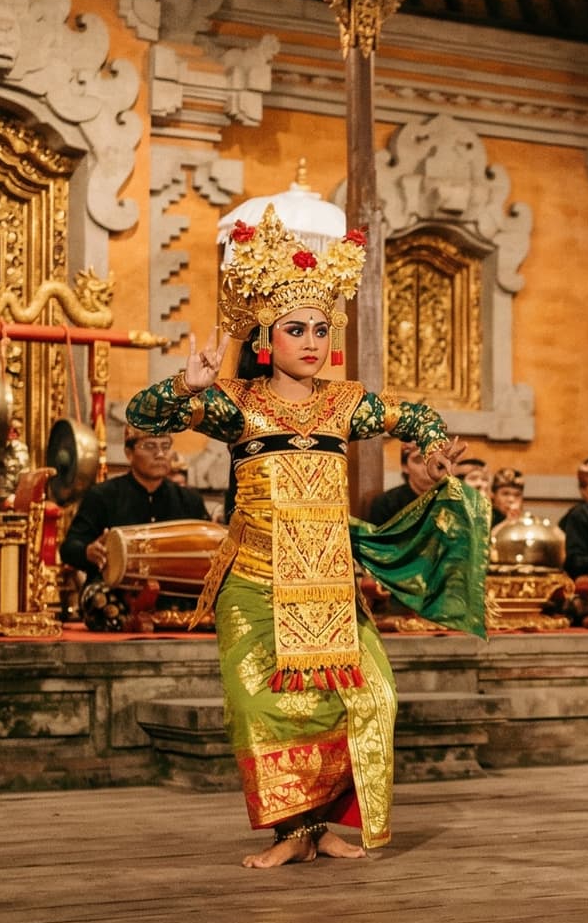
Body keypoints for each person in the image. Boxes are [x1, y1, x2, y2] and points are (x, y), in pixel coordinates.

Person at [126, 209, 487, 868]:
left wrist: (435, 453)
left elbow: (418, 416)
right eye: (296, 329)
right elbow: (144, 416)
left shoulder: (344, 404)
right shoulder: (235, 402)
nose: (312, 342)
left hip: (326, 582)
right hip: (254, 579)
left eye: (321, 329)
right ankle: (290, 831)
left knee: (370, 695)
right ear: (267, 337)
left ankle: (323, 824)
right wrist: (185, 384)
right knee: (260, 703)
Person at [57, 424, 211, 590]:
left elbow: (210, 550)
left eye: (165, 446)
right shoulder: (103, 496)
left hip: (175, 596)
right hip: (116, 595)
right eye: (150, 446)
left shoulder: (189, 500)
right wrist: (88, 551)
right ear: (129, 454)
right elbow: (69, 548)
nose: (160, 454)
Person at [367, 440, 444, 525]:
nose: (427, 468)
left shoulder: (450, 498)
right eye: (418, 460)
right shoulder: (386, 504)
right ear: (405, 466)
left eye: (433, 460)